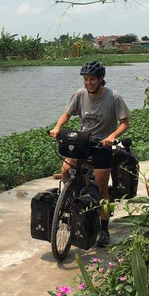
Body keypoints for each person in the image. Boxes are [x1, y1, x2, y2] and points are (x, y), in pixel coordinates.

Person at [49, 61, 130, 247]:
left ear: (101, 79)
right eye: (86, 80)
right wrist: (57, 127)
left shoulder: (113, 97)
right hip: (83, 141)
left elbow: (125, 123)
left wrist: (111, 137)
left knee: (102, 188)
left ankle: (103, 228)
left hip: (102, 145)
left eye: (92, 79)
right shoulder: (79, 94)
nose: (88, 83)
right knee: (65, 169)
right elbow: (67, 114)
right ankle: (69, 201)